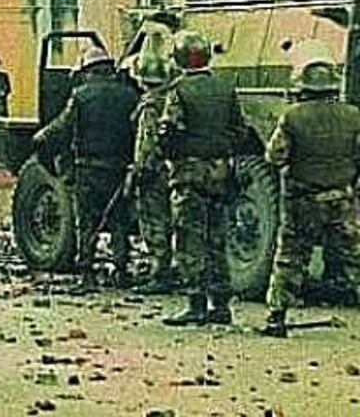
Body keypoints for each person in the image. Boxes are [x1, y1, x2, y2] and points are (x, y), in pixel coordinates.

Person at [258, 59, 360, 337]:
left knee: (290, 258)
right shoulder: (354, 115)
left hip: (303, 201)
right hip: (343, 200)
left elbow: (274, 156)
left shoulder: (292, 116)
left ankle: (276, 318)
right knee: (355, 257)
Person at [159, 30, 252, 326]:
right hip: (221, 171)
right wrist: (222, 149)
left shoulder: (179, 90)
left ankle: (196, 303)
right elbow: (241, 130)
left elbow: (168, 131)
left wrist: (175, 154)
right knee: (217, 239)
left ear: (179, 58)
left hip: (189, 172)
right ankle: (222, 305)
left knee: (189, 240)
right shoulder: (226, 88)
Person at [33, 46, 138, 292]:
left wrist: (41, 137)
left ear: (87, 70)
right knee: (118, 221)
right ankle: (121, 271)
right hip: (121, 170)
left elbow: (62, 126)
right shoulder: (129, 95)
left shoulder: (80, 96)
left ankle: (87, 275)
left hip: (89, 169)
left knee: (87, 221)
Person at [130, 43, 177, 295]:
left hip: (153, 172)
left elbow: (147, 142)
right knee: (170, 220)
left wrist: (139, 170)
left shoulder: (150, 106)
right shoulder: (171, 100)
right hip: (170, 170)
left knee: (154, 221)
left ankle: (161, 273)